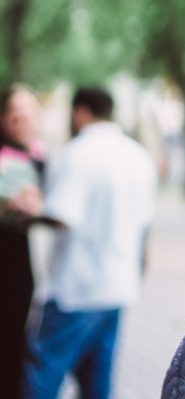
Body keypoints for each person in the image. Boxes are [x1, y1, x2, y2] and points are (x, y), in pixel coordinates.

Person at [18, 86, 157, 399]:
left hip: (75, 290)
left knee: (42, 376)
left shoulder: (78, 153)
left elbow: (61, 215)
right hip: (117, 288)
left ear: (80, 112)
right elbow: (145, 227)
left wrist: (24, 213)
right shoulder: (138, 157)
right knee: (97, 384)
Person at [0, 88, 45, 399]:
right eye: (14, 110)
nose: (21, 117)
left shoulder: (41, 157)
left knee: (18, 338)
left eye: (28, 110)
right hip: (6, 262)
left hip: (26, 264)